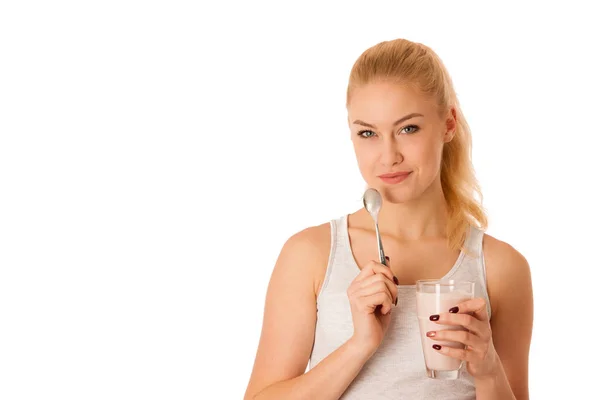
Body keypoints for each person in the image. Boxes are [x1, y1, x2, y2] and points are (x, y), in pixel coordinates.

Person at [243, 38, 533, 399]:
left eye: (408, 129)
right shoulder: (311, 254)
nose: (387, 156)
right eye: (368, 133)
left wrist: (488, 369)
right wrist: (359, 345)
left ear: (448, 124)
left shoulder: (501, 266)